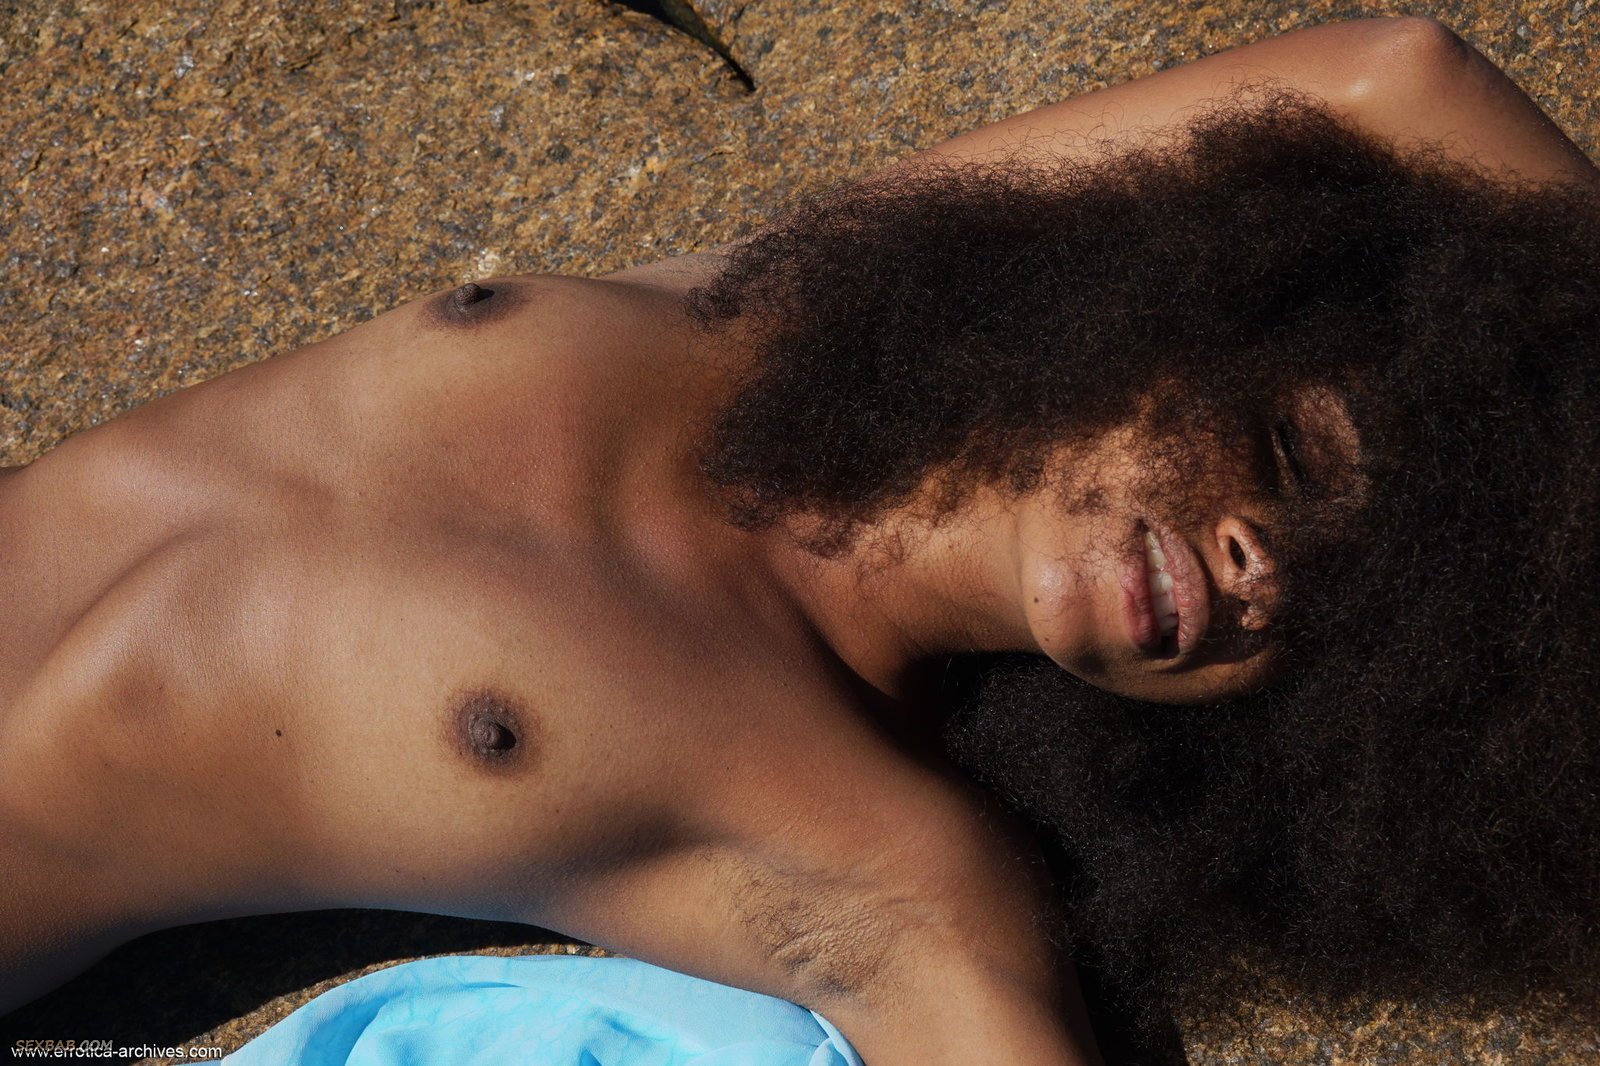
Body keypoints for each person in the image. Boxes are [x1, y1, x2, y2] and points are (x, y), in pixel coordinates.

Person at [2, 14, 1597, 1063]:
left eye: (1334, 617)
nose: (1266, 562)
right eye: (1289, 458)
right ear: (1192, 324)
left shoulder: (883, 852)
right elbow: (1399, 76)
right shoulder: (777, 301)